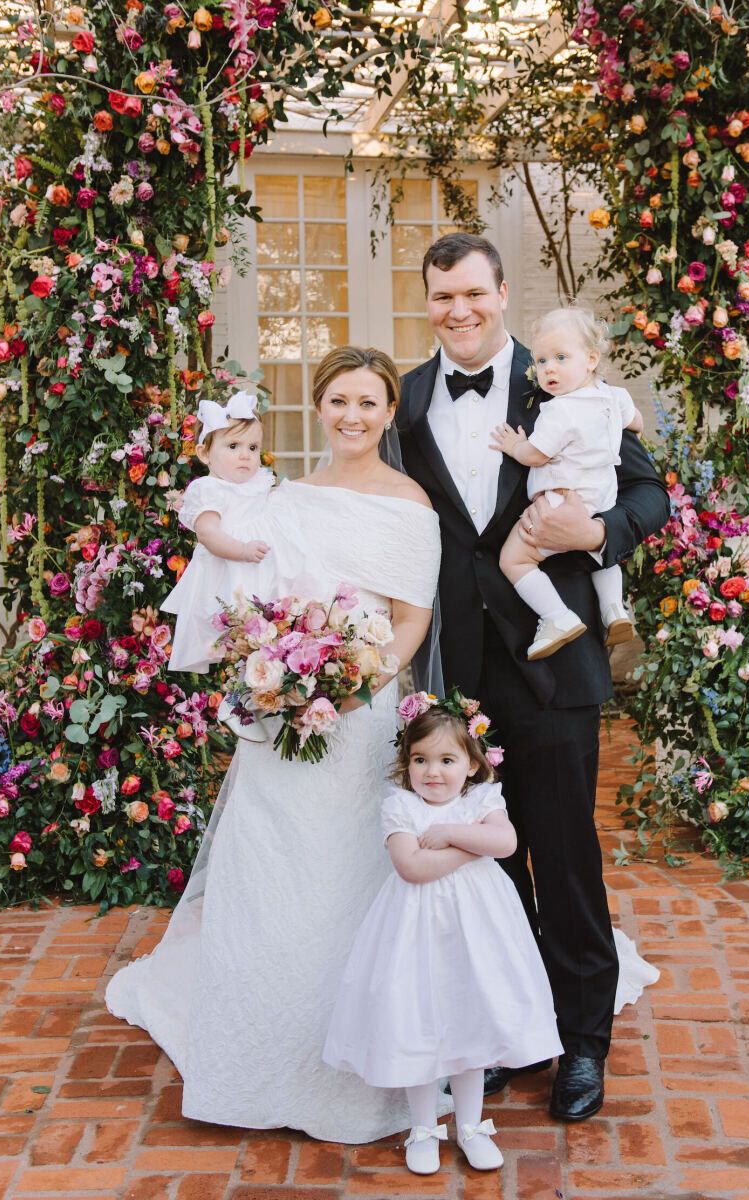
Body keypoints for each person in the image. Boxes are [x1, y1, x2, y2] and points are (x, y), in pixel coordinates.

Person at [106, 347, 443, 1143]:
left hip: (360, 712)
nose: (353, 417)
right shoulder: (284, 499)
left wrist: (359, 683)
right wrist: (275, 669)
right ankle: (251, 1058)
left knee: (344, 871)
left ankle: (346, 1059)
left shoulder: (410, 504)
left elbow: (410, 619)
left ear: (389, 413)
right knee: (266, 866)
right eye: (338, 401)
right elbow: (248, 594)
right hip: (280, 705)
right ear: (318, 408)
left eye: (368, 403)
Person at [397, 232, 669, 1121]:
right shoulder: (405, 400)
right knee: (489, 864)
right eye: (442, 297)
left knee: (562, 853)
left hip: (554, 663)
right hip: (456, 674)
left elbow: (646, 495)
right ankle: (518, 1025)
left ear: (501, 292)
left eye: (473, 293)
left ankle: (584, 1040)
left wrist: (594, 539)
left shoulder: (560, 378)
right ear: (427, 300)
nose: (458, 311)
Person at [323, 696, 563, 1175]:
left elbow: (508, 842)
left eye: (447, 760)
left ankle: (471, 1126)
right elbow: (412, 867)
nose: (433, 772)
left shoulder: (481, 800)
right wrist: (471, 846)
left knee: (469, 1018)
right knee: (417, 1019)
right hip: (414, 931)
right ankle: (424, 1126)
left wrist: (453, 835)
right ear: (406, 763)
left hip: (477, 934)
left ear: (472, 765)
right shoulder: (401, 806)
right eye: (420, 760)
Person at [490, 306, 643, 660]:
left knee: (514, 559)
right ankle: (613, 610)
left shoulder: (559, 410)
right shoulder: (614, 397)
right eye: (541, 360)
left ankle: (556, 617)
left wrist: (515, 446)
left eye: (560, 357)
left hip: (560, 502)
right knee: (600, 554)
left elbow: (537, 454)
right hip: (600, 499)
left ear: (591, 359)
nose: (549, 369)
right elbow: (634, 422)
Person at [161, 390, 276, 674]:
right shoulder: (209, 489)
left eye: (252, 448)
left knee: (267, 637)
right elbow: (208, 534)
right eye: (234, 446)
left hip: (264, 567)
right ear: (204, 453)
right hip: (231, 570)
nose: (246, 456)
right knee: (235, 642)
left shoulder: (258, 482)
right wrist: (242, 550)